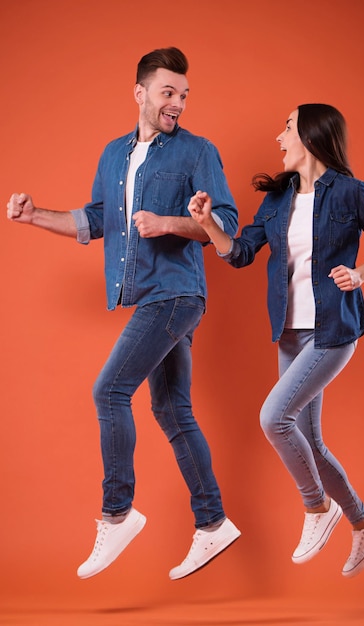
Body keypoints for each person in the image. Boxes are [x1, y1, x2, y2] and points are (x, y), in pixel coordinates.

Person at [6, 47, 241, 581]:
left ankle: (117, 512)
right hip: (151, 296)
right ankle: (213, 522)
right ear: (140, 94)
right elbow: (94, 221)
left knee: (108, 391)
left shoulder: (198, 152)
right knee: (172, 411)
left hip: (177, 293)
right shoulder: (114, 156)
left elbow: (223, 220)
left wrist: (174, 222)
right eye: (167, 93)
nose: (177, 103)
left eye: (183, 95)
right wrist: (34, 216)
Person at [188, 103, 364, 578]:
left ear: (310, 134)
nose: (279, 136)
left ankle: (316, 509)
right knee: (309, 440)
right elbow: (240, 253)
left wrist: (363, 272)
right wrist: (207, 224)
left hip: (333, 330)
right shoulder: (279, 199)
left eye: (286, 127)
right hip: (289, 332)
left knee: (273, 417)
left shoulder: (350, 192)